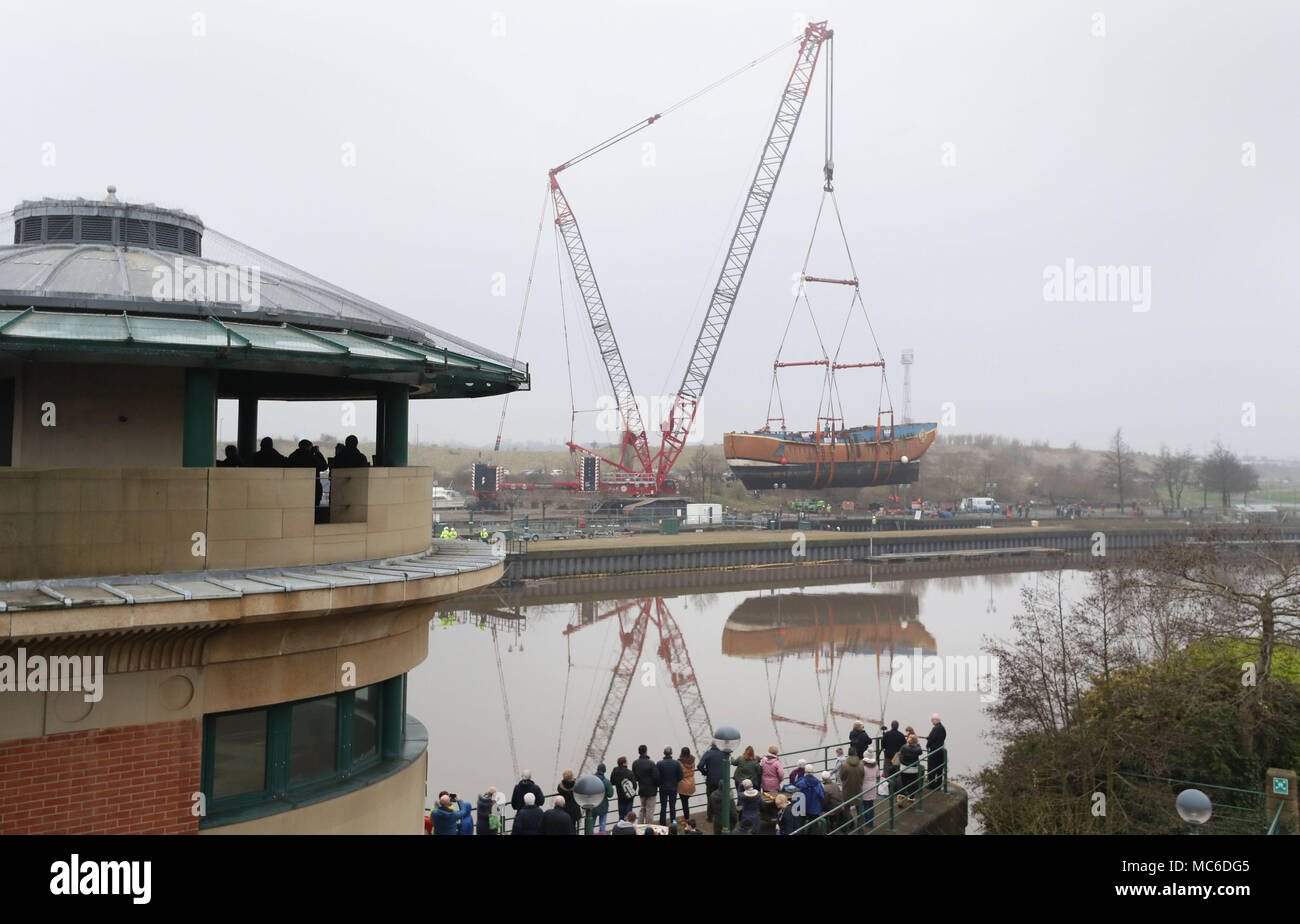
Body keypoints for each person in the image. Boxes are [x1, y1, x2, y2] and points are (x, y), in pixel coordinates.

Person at [287, 439, 329, 505]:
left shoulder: (294, 456)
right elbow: (324, 466)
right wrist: (318, 453)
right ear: (308, 447)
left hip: (297, 487)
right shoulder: (311, 457)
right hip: (313, 488)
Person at [697, 741, 727, 822]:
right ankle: (721, 816)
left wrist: (705, 772)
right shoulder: (723, 753)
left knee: (710, 798)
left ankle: (710, 817)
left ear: (711, 745)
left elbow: (699, 766)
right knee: (722, 798)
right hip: (722, 780)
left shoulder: (708, 753)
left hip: (711, 780)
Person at [632, 744, 659, 824]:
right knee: (650, 811)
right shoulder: (651, 763)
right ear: (646, 752)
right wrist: (657, 785)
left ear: (639, 752)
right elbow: (656, 777)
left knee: (642, 809)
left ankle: (639, 825)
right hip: (651, 791)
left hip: (642, 790)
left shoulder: (635, 763)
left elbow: (635, 777)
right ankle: (649, 828)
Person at [656, 746, 683, 826]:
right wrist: (675, 781)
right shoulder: (676, 763)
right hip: (673, 788)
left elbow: (657, 776)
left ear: (664, 753)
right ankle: (673, 822)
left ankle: (662, 823)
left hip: (663, 787)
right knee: (672, 806)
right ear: (671, 753)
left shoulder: (659, 763)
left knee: (663, 807)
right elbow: (681, 776)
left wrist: (660, 783)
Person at [896, 733, 924, 804]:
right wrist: (917, 744)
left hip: (904, 768)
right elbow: (920, 751)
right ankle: (911, 799)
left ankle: (901, 797)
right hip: (913, 769)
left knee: (903, 783)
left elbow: (901, 753)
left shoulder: (904, 747)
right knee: (912, 784)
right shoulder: (917, 749)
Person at [611, 756, 636, 822]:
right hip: (629, 797)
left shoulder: (615, 771)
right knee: (628, 816)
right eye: (626, 761)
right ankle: (628, 829)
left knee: (621, 815)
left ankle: (621, 829)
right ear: (624, 763)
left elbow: (612, 782)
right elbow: (634, 785)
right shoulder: (629, 772)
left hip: (620, 796)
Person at [927, 713, 948, 790]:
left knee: (931, 768)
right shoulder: (942, 728)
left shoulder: (935, 728)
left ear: (936, 720)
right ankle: (938, 785)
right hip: (940, 751)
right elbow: (944, 737)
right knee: (939, 769)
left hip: (934, 751)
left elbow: (931, 738)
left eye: (932, 720)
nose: (932, 722)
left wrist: (928, 745)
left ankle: (932, 785)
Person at [593, 763, 615, 833]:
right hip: (603, 805)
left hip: (592, 804)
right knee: (602, 825)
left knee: (591, 824)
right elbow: (610, 794)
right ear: (604, 771)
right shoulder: (606, 782)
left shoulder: (591, 779)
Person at [677, 746, 696, 821]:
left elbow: (678, 773)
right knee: (686, 802)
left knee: (684, 803)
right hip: (691, 783)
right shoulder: (692, 761)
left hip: (683, 785)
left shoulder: (679, 762)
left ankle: (686, 818)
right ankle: (686, 817)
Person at [861, 755, 880, 828]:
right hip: (873, 787)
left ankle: (866, 821)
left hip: (865, 788)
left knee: (865, 805)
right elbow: (878, 775)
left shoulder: (863, 768)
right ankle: (870, 822)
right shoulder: (876, 766)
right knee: (870, 805)